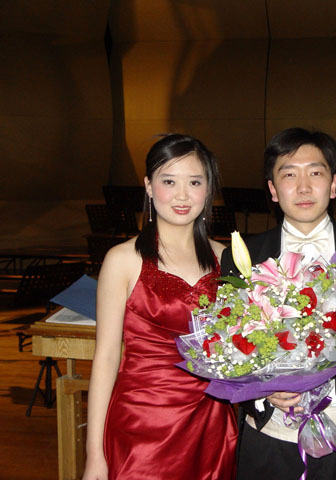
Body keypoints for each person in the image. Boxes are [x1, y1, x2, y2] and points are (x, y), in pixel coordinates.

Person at [221, 127, 336, 480]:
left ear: (333, 185)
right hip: (269, 440)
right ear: (273, 189)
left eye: (315, 173)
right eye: (289, 175)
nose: (304, 187)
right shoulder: (243, 258)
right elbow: (229, 350)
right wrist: (260, 388)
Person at [82, 134, 238, 480]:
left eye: (194, 182)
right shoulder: (123, 259)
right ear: (149, 187)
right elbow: (106, 358)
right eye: (169, 181)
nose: (182, 195)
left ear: (208, 189)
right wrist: (94, 454)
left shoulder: (226, 258)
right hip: (143, 426)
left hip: (212, 424)